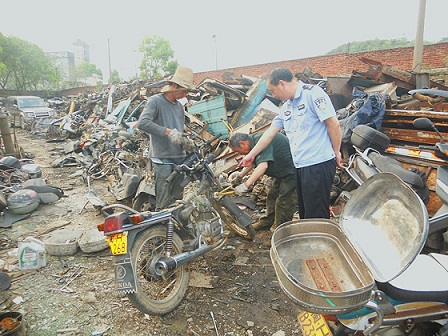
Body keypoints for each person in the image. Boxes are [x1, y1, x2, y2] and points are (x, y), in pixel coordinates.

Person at [240, 68, 343, 219]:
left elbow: (333, 124)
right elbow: (269, 133)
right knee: (305, 212)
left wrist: (337, 151)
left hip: (318, 164)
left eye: (273, 90)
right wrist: (251, 155)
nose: (273, 95)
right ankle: (308, 239)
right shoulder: (287, 107)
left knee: (317, 214)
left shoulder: (312, 94)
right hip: (301, 166)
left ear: (282, 84)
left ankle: (318, 241)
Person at [138, 65, 196, 210]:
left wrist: (186, 141)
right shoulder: (155, 101)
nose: (185, 95)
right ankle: (161, 229)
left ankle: (175, 230)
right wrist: (168, 132)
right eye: (184, 91)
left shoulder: (179, 108)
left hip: (179, 158)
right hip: (162, 158)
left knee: (177, 200)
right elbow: (143, 123)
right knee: (163, 201)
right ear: (175, 86)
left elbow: (179, 130)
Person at [229, 132, 298, 231]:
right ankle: (267, 222)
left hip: (291, 172)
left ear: (242, 143)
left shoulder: (262, 140)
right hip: (280, 173)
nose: (240, 154)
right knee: (272, 197)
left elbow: (263, 166)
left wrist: (246, 185)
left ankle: (280, 231)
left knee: (283, 202)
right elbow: (253, 162)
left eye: (238, 151)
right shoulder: (254, 143)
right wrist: (240, 176)